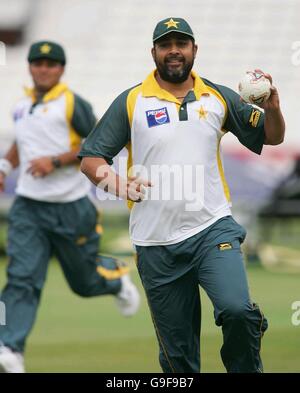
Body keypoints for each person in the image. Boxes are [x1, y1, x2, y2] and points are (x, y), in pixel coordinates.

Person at [79, 18, 285, 373]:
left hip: (212, 229)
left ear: (194, 50)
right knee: (179, 359)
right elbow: (90, 159)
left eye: (181, 43)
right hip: (155, 242)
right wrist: (118, 185)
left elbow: (272, 136)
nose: (174, 50)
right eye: (165, 44)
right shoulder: (131, 100)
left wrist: (274, 107)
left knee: (237, 310)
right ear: (154, 52)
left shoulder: (218, 96)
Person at [0, 41, 140, 373]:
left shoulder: (71, 103)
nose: (44, 68)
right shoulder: (21, 105)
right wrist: (5, 168)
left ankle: (116, 281)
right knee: (21, 277)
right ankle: (10, 348)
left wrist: (54, 161)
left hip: (71, 207)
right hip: (29, 207)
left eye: (51, 63)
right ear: (31, 67)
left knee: (84, 282)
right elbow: (23, 141)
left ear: (61, 69)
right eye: (38, 63)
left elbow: (96, 143)